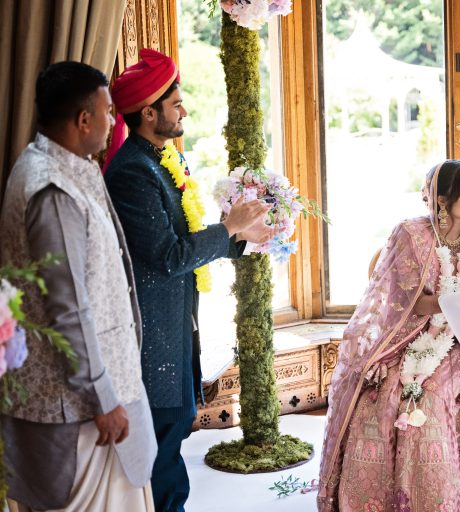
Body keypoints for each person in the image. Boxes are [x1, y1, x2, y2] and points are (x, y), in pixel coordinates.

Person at [103, 49, 273, 512]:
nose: (184, 110)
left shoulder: (160, 160)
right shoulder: (132, 173)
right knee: (161, 451)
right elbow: (167, 256)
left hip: (176, 328)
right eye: (176, 103)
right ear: (148, 112)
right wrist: (231, 227)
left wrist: (241, 236)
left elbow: (181, 239)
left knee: (173, 433)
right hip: (153, 339)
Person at [318, 160, 460, 512]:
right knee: (393, 392)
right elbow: (407, 303)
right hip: (409, 334)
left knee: (434, 394)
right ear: (442, 199)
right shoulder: (411, 234)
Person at [0, 61, 156, 511]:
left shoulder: (58, 166)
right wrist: (103, 398)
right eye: (108, 112)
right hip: (81, 411)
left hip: (90, 400)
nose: (113, 122)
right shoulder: (51, 191)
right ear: (83, 119)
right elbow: (68, 308)